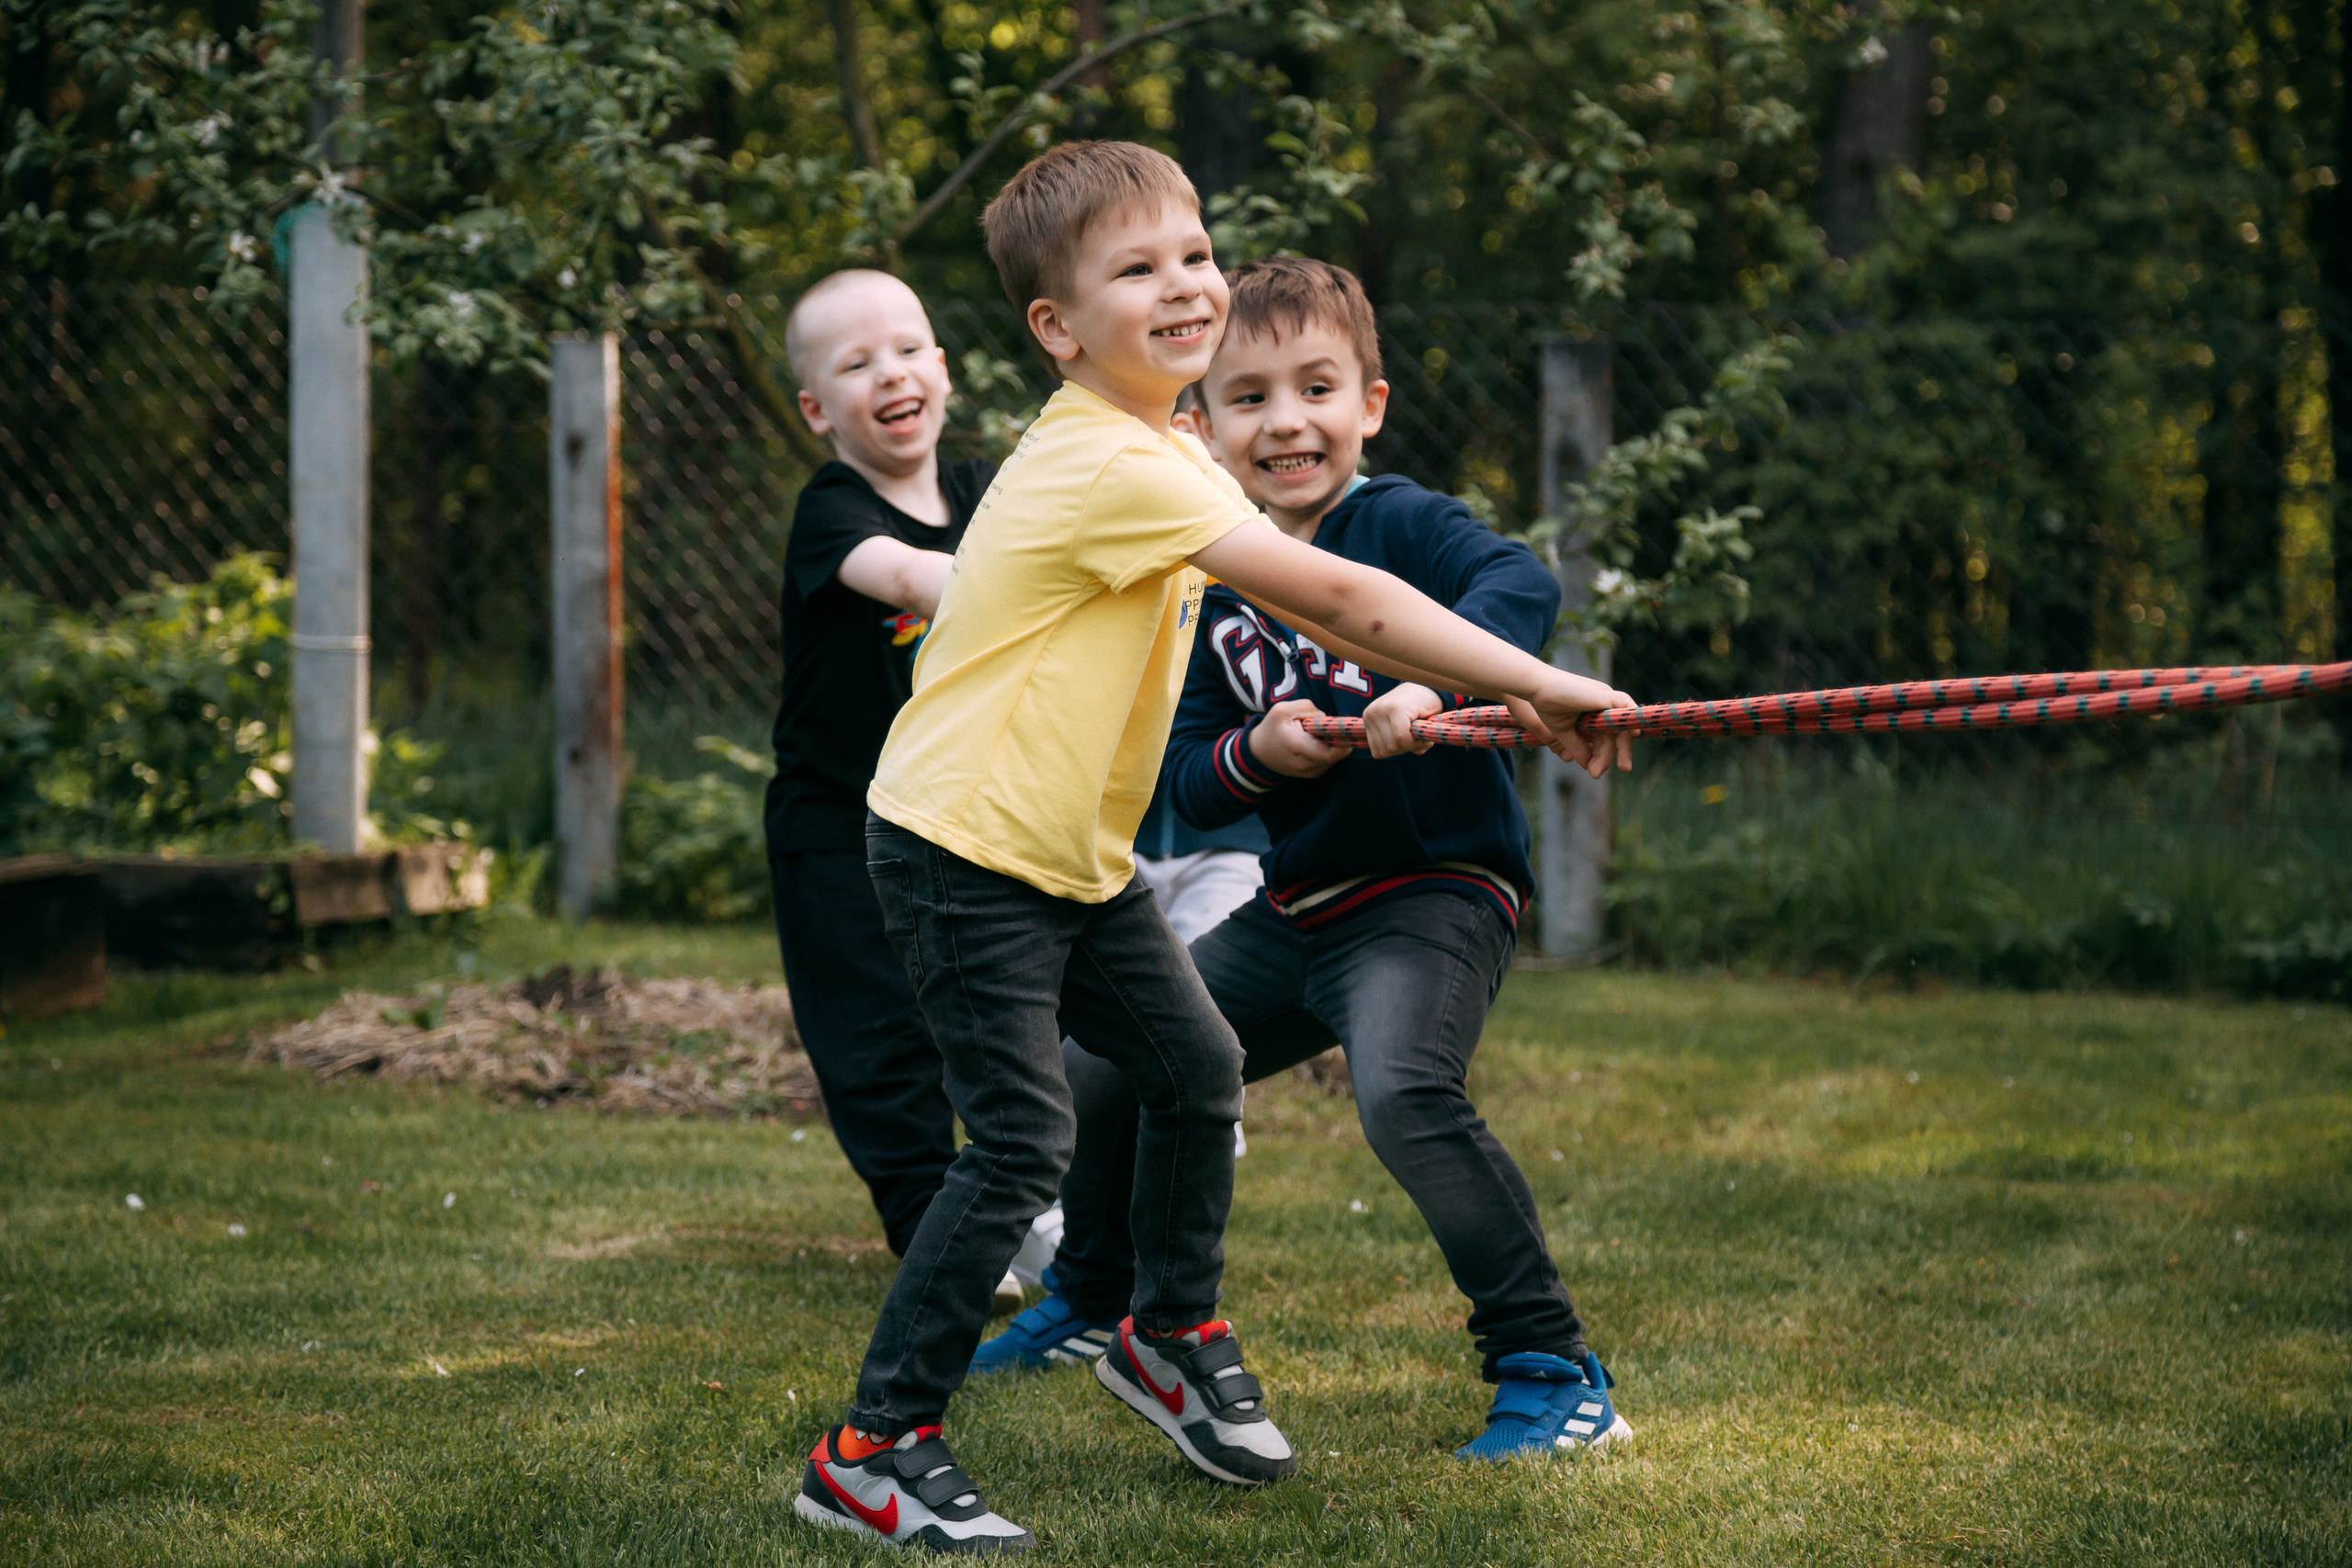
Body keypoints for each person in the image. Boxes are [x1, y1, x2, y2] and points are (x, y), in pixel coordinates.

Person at [794, 142, 1634, 1555]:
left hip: (1074, 856)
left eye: (1195, 254)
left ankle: (1163, 1331)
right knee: (1020, 1143)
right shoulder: (1118, 461)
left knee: (1185, 1063)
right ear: (1058, 330)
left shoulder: (1168, 449)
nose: (1186, 285)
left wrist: (1470, 678)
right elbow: (1342, 594)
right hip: (964, 847)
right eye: (1138, 270)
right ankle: (872, 1446)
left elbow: (1359, 578)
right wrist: (1536, 686)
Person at [972, 256, 1635, 1462]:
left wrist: (1433, 680)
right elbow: (1181, 780)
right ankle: (1089, 1297)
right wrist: (1266, 754)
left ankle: (1554, 1367)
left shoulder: (1399, 524)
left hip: (1434, 890)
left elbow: (1519, 581)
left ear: (1368, 404)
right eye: (1251, 396)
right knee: (1114, 1056)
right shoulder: (1202, 575)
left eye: (1316, 387)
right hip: (1298, 906)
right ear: (1201, 425)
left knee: (1405, 1094)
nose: (1287, 421)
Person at [763, 268, 1021, 1310]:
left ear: (944, 370)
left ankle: (1024, 1203)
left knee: (996, 1011)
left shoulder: (991, 491)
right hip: (838, 824)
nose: (892, 374)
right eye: (857, 363)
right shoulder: (834, 510)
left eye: (908, 349)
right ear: (818, 409)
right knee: (875, 1030)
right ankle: (926, 1220)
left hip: (963, 819)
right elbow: (919, 579)